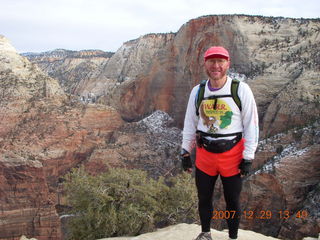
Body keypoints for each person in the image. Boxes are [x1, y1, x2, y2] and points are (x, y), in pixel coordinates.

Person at [180, 46, 259, 240]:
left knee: (232, 200)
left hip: (232, 156)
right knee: (204, 198)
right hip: (205, 155)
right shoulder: (197, 92)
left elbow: (252, 124)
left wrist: (248, 157)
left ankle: (232, 237)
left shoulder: (240, 89)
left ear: (228, 64)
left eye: (220, 61)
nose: (216, 66)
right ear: (205, 64)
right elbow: (190, 123)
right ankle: (206, 233)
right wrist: (185, 152)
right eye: (212, 61)